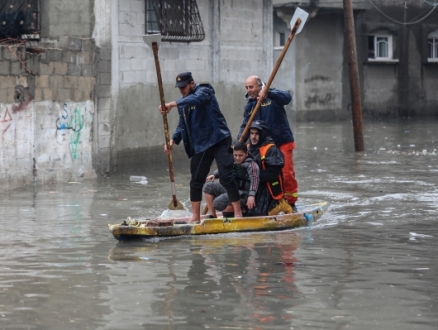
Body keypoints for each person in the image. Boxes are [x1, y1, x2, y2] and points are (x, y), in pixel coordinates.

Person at [159, 72, 243, 223]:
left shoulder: (205, 90)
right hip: (201, 144)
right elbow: (182, 126)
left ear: (192, 83)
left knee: (226, 175)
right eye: (179, 88)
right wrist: (173, 140)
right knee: (196, 180)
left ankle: (238, 212)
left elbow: (197, 99)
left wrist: (172, 104)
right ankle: (195, 217)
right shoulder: (183, 103)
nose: (181, 91)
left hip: (219, 139)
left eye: (184, 87)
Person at [237, 76, 298, 212]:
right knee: (263, 174)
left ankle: (291, 203)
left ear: (260, 86)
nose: (249, 90)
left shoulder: (273, 95)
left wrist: (268, 93)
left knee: (286, 173)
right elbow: (245, 126)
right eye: (246, 87)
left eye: (251, 87)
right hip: (263, 146)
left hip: (281, 141)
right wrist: (238, 142)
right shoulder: (250, 104)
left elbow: (287, 98)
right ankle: (271, 201)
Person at [247, 120, 293, 216]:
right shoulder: (246, 149)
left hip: (267, 191)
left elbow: (272, 174)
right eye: (251, 133)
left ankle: (280, 204)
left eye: (256, 134)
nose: (253, 137)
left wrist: (251, 176)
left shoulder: (271, 150)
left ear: (262, 134)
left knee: (258, 213)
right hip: (250, 188)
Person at [203, 141, 259, 218]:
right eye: (235, 155)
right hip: (232, 190)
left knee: (217, 203)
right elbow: (223, 169)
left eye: (240, 155)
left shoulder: (252, 165)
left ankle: (243, 210)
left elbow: (254, 181)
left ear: (246, 154)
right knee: (208, 186)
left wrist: (251, 196)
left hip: (244, 194)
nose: (237, 158)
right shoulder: (232, 161)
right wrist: (214, 174)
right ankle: (213, 215)